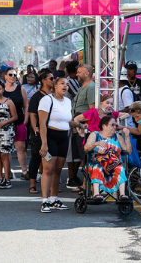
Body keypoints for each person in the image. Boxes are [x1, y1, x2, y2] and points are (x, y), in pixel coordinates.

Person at [38, 77, 85, 212]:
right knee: (48, 170)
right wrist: (44, 144)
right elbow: (42, 124)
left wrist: (79, 125)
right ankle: (44, 201)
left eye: (67, 84)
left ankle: (54, 199)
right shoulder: (47, 100)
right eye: (62, 84)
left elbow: (67, 120)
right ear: (55, 86)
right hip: (50, 137)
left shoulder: (68, 101)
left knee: (58, 170)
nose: (65, 86)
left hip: (64, 137)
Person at [83, 115, 132, 201]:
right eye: (112, 125)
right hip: (95, 163)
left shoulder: (118, 137)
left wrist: (127, 137)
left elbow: (128, 151)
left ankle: (122, 195)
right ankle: (96, 194)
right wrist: (96, 144)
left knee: (120, 167)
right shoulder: (95, 135)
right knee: (97, 167)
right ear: (104, 126)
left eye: (115, 125)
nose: (114, 127)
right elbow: (86, 148)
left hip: (113, 165)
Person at [67, 64, 95, 188]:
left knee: (85, 156)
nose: (76, 74)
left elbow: (92, 110)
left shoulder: (90, 87)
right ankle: (85, 183)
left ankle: (85, 184)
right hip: (77, 128)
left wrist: (81, 123)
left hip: (84, 128)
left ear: (87, 74)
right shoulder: (81, 88)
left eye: (79, 72)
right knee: (81, 155)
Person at [28, 69, 54, 194]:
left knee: (51, 158)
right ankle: (32, 184)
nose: (54, 81)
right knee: (36, 157)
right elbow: (32, 114)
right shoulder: (37, 96)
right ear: (43, 81)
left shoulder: (55, 95)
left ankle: (50, 184)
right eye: (51, 78)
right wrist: (35, 129)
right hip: (39, 130)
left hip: (52, 130)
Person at [3, 67, 29, 180]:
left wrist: (25, 120)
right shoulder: (0, 89)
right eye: (10, 75)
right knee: (5, 149)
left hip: (19, 121)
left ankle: (24, 171)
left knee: (21, 148)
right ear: (5, 76)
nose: (13, 77)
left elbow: (26, 105)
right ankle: (7, 172)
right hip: (4, 123)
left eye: (15, 75)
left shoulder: (20, 88)